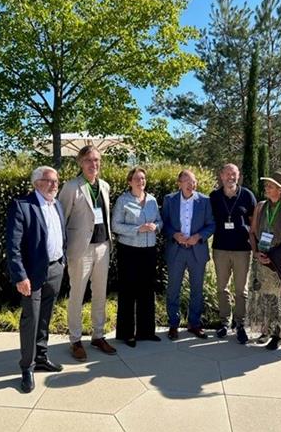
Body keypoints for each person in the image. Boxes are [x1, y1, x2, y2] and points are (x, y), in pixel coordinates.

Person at [6, 166, 66, 393]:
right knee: (31, 318)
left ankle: (41, 357)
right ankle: (27, 367)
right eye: (50, 181)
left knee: (45, 317)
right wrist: (20, 276)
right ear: (37, 183)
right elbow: (13, 246)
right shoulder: (22, 205)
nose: (55, 184)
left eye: (57, 180)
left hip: (56, 268)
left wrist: (62, 261)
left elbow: (61, 234)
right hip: (32, 275)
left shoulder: (57, 204)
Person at [58, 145, 116, 361]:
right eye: (89, 160)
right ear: (80, 163)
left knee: (100, 293)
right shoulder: (71, 187)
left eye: (97, 160)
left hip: (102, 246)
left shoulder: (105, 186)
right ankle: (75, 340)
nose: (94, 164)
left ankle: (98, 336)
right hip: (80, 249)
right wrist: (62, 249)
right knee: (77, 295)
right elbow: (61, 219)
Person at [248, 171, 281, 350]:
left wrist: (277, 254)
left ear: (280, 189)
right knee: (264, 296)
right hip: (262, 260)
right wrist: (256, 252)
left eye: (270, 186)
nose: (266, 188)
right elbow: (252, 232)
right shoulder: (260, 206)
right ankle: (266, 330)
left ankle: (279, 335)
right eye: (266, 185)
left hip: (280, 261)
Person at [112, 167, 163, 347]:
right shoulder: (123, 200)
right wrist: (137, 229)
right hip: (129, 251)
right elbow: (115, 226)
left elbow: (160, 221)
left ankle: (146, 331)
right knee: (128, 292)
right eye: (137, 179)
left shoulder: (152, 200)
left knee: (147, 291)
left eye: (143, 178)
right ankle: (127, 334)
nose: (141, 181)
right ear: (129, 182)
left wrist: (156, 227)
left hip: (149, 251)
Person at [162, 169, 215, 340]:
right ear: (179, 183)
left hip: (196, 251)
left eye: (193, 181)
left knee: (197, 290)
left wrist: (198, 237)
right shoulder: (169, 200)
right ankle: (173, 324)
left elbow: (211, 225)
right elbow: (164, 224)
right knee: (173, 289)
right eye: (187, 181)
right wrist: (174, 235)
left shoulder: (205, 201)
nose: (191, 184)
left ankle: (194, 324)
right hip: (176, 251)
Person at [210, 163, 257, 344]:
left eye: (234, 174)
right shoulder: (214, 197)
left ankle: (240, 324)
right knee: (222, 288)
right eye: (227, 174)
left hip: (242, 250)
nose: (231, 177)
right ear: (221, 176)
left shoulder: (247, 195)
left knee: (240, 290)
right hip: (220, 248)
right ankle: (224, 322)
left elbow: (253, 222)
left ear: (238, 176)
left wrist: (255, 245)